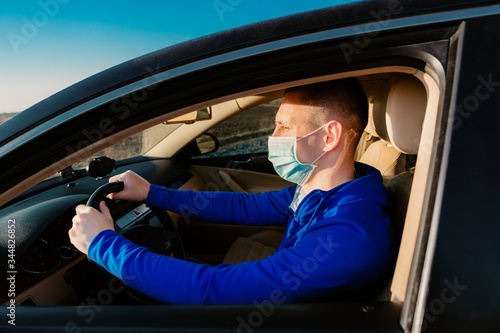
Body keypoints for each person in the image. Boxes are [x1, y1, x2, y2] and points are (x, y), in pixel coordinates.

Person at [69, 78, 395, 305]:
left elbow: (213, 290)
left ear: (329, 137)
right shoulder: (332, 192)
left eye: (284, 126)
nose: (273, 135)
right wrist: (152, 193)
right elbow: (242, 207)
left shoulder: (348, 235)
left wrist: (101, 243)